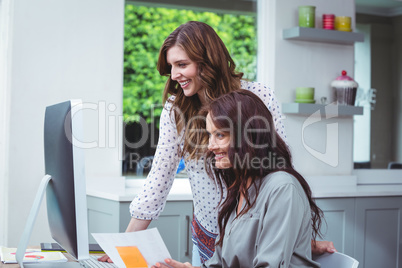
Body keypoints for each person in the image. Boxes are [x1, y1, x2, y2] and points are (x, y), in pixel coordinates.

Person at [99, 21, 335, 265]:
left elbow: (277, 168)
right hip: (210, 233)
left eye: (182, 65)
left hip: (256, 231)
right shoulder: (176, 110)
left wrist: (290, 235)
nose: (173, 75)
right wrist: (124, 246)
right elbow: (158, 180)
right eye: (171, 66)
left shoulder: (257, 97)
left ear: (207, 62)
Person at [152, 89, 322, 267]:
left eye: (220, 135)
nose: (210, 146)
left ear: (249, 135)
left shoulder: (283, 188)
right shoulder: (240, 189)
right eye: (210, 135)